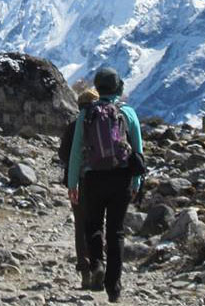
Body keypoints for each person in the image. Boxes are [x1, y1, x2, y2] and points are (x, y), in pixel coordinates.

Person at [67, 67, 143, 303]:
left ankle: (97, 263)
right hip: (120, 178)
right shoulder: (127, 113)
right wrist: (136, 180)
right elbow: (138, 151)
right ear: (118, 87)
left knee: (93, 225)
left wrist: (72, 184)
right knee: (116, 232)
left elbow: (76, 153)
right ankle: (114, 287)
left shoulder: (86, 114)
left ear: (98, 88)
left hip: (93, 178)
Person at [58, 87, 99, 289]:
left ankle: (85, 270)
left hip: (80, 183)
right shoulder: (107, 125)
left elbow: (63, 154)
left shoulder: (74, 125)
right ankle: (100, 265)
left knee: (81, 226)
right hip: (103, 181)